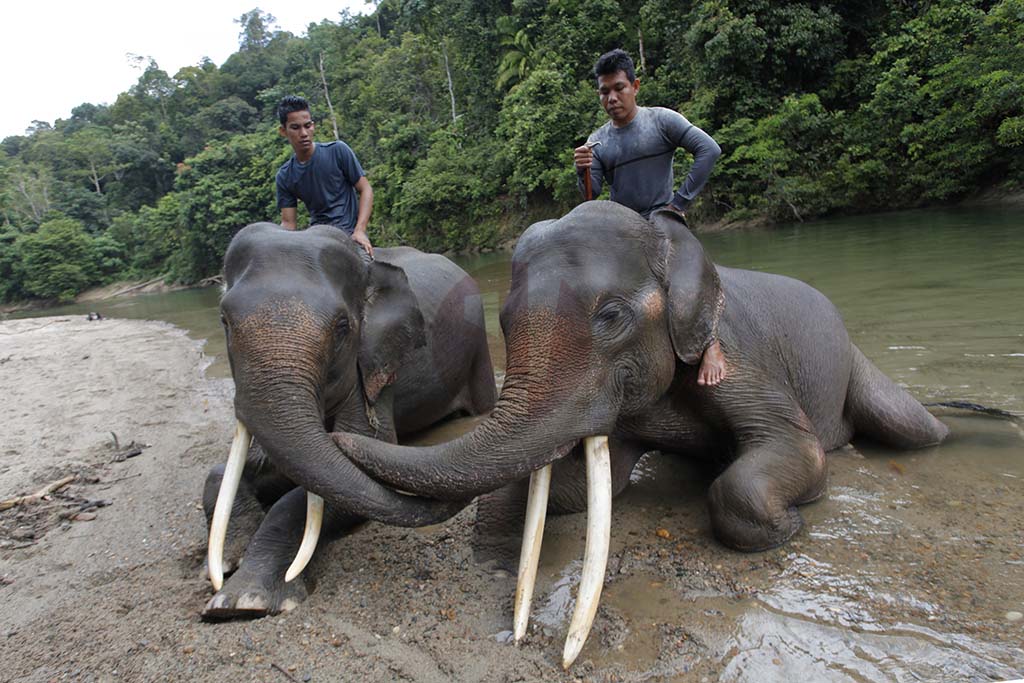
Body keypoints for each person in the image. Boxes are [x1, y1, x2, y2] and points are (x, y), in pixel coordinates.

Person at [573, 48, 727, 386]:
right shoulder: (597, 142)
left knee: (691, 269)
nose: (611, 97)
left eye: (618, 88)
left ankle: (711, 345)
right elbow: (590, 198)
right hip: (620, 226)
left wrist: (680, 202)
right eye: (604, 91)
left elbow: (709, 150)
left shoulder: (661, 120)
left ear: (635, 86)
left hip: (662, 218)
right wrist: (582, 169)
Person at [275, 95, 375, 259]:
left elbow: (366, 189)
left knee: (364, 271)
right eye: (295, 128)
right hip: (316, 238)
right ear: (283, 131)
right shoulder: (285, 176)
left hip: (349, 236)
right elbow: (288, 224)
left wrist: (360, 230)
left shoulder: (338, 151)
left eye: (308, 126)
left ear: (313, 125)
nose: (304, 133)